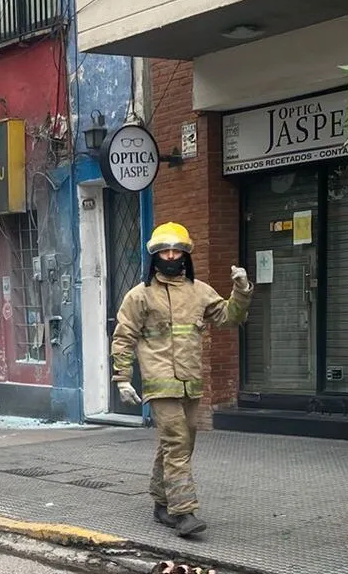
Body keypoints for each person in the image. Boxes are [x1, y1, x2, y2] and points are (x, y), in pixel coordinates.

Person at [111, 222, 252, 538]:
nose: (171, 256)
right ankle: (183, 512)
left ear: (185, 255)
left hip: (191, 382)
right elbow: (123, 337)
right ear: (155, 255)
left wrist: (241, 290)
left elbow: (230, 317)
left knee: (180, 443)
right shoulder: (140, 296)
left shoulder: (200, 291)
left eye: (176, 251)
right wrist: (122, 379)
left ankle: (161, 501)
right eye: (165, 251)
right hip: (160, 384)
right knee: (176, 442)